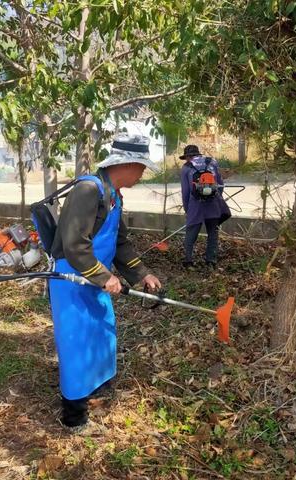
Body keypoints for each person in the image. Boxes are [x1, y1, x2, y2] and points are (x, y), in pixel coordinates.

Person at [49, 134, 162, 433]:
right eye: (141, 168)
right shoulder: (89, 190)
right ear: (127, 164)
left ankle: (95, 385)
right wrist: (105, 277)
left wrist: (142, 274)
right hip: (71, 280)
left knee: (101, 333)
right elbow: (74, 245)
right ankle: (74, 415)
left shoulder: (115, 195)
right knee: (75, 342)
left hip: (95, 279)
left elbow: (119, 241)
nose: (142, 174)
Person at [180, 144, 231, 268]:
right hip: (213, 204)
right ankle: (211, 261)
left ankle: (188, 261)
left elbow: (185, 191)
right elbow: (220, 185)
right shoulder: (212, 162)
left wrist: (188, 209)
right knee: (213, 232)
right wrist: (214, 197)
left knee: (191, 232)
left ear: (187, 157)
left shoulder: (186, 167)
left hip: (196, 204)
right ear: (198, 154)